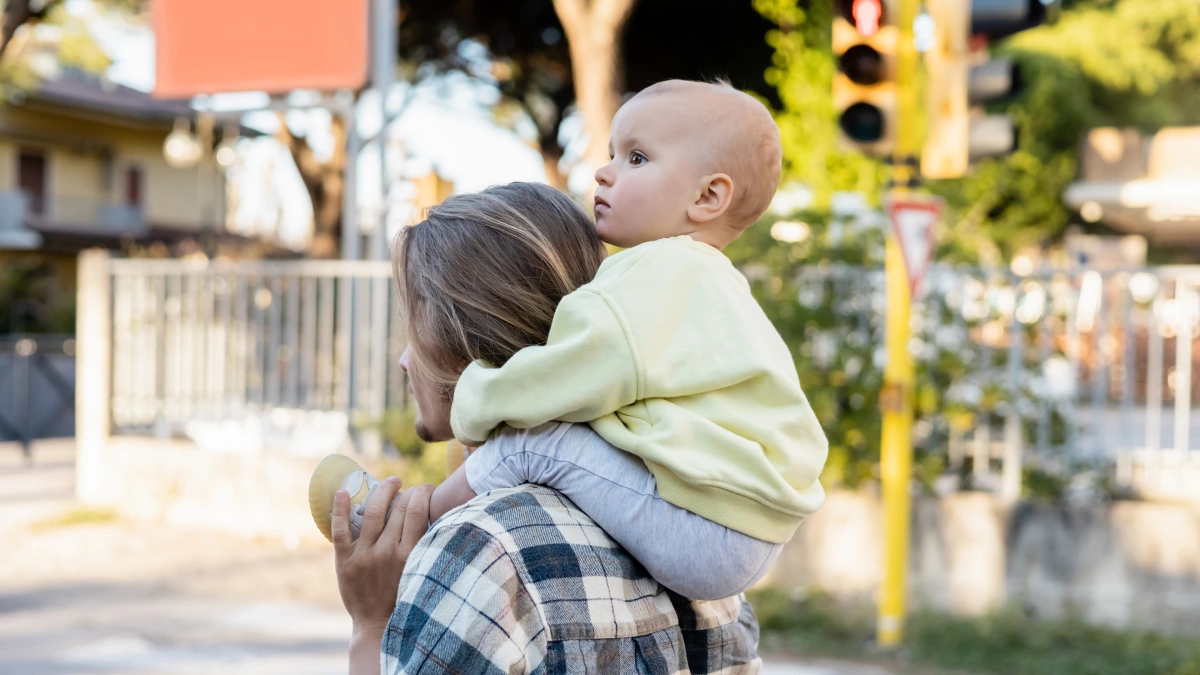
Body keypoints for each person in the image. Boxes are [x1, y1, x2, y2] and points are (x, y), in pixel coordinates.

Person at [332, 182, 763, 674]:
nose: (404, 359)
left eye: (410, 322)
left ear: (455, 338)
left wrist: (372, 622)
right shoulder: (690, 525)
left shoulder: (479, 547)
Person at [436, 79, 827, 600]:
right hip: (747, 531)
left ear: (708, 196)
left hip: (704, 529)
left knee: (532, 440)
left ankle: (410, 525)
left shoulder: (652, 273)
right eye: (612, 154)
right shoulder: (715, 283)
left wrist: (474, 396)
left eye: (637, 158)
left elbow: (565, 379)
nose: (604, 171)